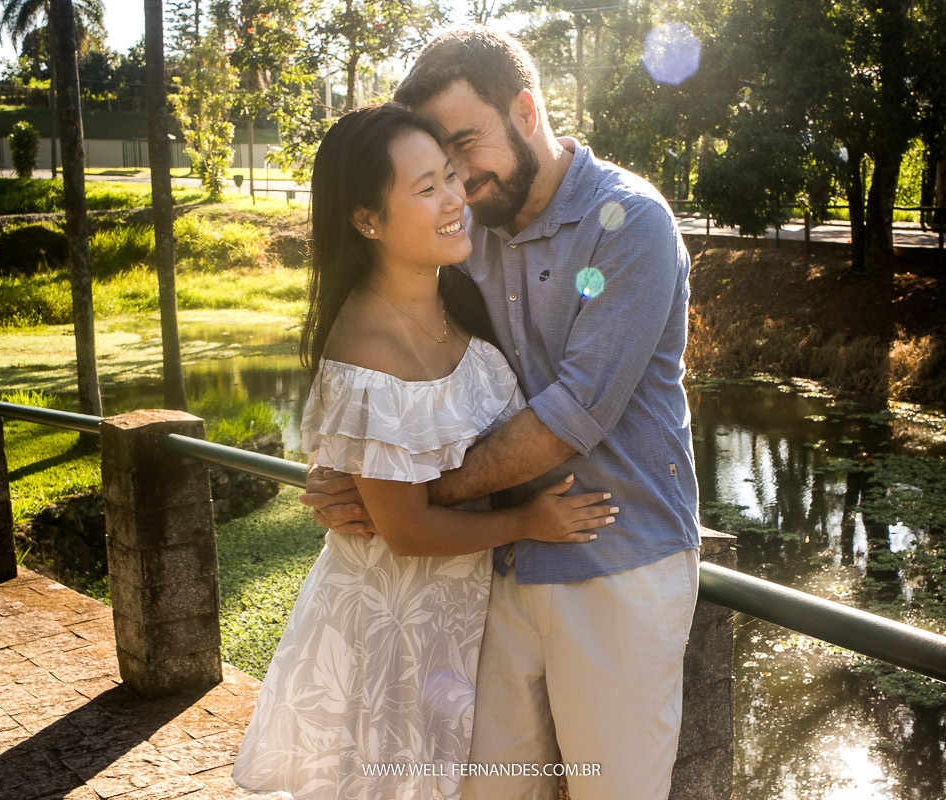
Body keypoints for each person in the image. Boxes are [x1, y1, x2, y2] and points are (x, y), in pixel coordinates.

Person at [302, 30, 702, 800]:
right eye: (442, 166)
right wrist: (359, 468)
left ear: (526, 109)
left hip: (617, 561)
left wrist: (410, 497)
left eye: (466, 145)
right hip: (494, 569)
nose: (458, 180)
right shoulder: (464, 228)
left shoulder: (630, 223)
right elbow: (398, 369)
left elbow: (568, 416)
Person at [230, 104, 617, 800]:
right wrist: (530, 520)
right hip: (392, 633)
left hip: (456, 619)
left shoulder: (459, 290)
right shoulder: (368, 353)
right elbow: (404, 530)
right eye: (426, 188)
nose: (454, 200)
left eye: (449, 176)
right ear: (367, 220)